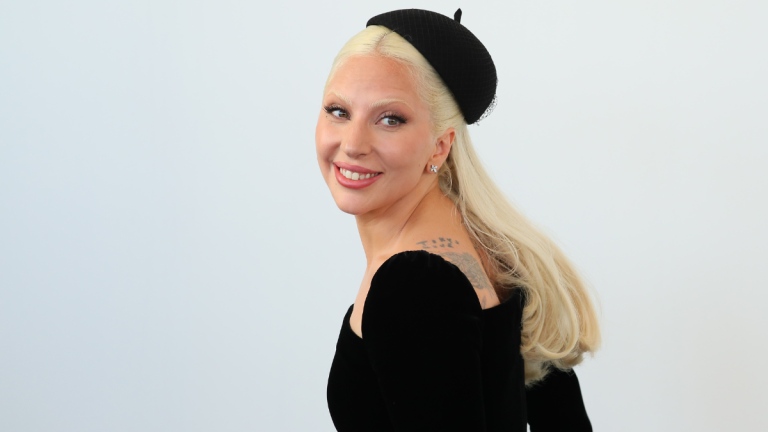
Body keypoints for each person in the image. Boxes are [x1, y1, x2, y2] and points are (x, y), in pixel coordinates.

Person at [316, 8, 601, 432]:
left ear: (440, 145)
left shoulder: (413, 286)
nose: (353, 143)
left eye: (390, 119)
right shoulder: (492, 245)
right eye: (339, 111)